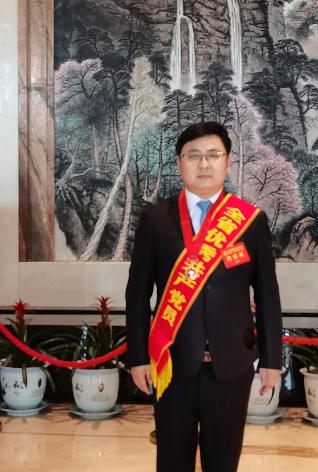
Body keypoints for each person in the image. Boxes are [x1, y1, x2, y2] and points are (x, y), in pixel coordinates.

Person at [125, 122, 282, 472]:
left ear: (228, 162)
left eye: (213, 155)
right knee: (172, 460)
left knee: (223, 462)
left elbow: (268, 294)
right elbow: (137, 295)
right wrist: (137, 357)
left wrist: (272, 359)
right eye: (193, 156)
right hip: (172, 364)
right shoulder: (156, 220)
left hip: (232, 365)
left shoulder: (250, 221)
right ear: (179, 163)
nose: (204, 164)